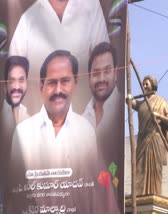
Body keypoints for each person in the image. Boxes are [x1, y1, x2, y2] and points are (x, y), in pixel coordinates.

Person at [6, 50, 120, 214]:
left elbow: (97, 191)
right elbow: (13, 194)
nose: (58, 90)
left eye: (65, 81)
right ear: (41, 87)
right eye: (52, 83)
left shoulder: (85, 131)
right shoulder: (22, 133)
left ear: (75, 82)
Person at [9, 0, 110, 114]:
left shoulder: (91, 6)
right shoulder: (28, 18)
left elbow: (105, 63)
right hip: (35, 125)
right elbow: (12, 75)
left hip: (85, 122)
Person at [82, 42, 123, 207]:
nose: (101, 79)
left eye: (107, 71)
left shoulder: (121, 111)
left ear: (116, 73)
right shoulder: (81, 121)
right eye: (96, 73)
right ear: (89, 76)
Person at [128, 75, 168, 195]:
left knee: (154, 169)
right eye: (143, 84)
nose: (144, 86)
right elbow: (131, 102)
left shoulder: (161, 101)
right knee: (140, 168)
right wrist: (128, 97)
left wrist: (158, 116)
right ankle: (139, 194)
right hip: (142, 140)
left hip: (155, 138)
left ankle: (155, 193)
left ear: (152, 85)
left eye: (146, 83)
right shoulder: (142, 103)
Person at [0, 55, 30, 214]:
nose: (16, 86)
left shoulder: (32, 120)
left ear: (26, 84)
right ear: (5, 86)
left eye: (21, 80)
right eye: (12, 81)